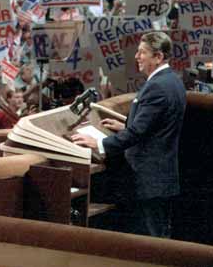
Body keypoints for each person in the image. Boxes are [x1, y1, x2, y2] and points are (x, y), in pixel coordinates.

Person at [70, 31, 186, 238]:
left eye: (142, 52)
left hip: (149, 180)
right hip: (161, 179)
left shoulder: (157, 86)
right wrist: (126, 124)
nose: (137, 57)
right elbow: (156, 125)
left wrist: (98, 143)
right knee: (159, 238)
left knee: (151, 243)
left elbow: (137, 133)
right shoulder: (173, 81)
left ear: (158, 57)